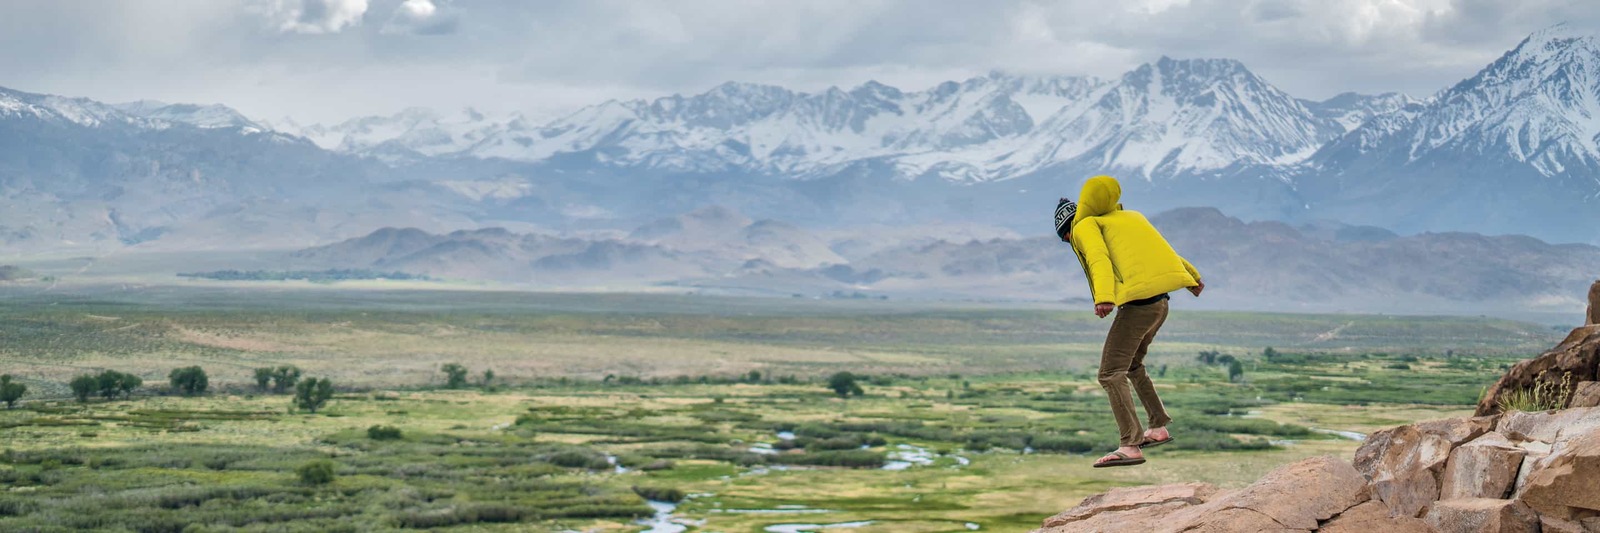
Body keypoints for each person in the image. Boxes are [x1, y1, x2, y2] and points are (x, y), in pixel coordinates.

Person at [1055, 175, 1204, 468]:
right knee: (1133, 365)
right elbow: (1162, 248)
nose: (1070, 243)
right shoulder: (1130, 218)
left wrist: (1104, 297)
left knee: (1110, 373)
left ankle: (1130, 444)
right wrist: (1192, 277)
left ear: (1067, 230)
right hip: (1160, 304)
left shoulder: (1085, 227)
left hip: (1137, 308)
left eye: (1066, 238)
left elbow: (1097, 258)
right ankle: (1158, 426)